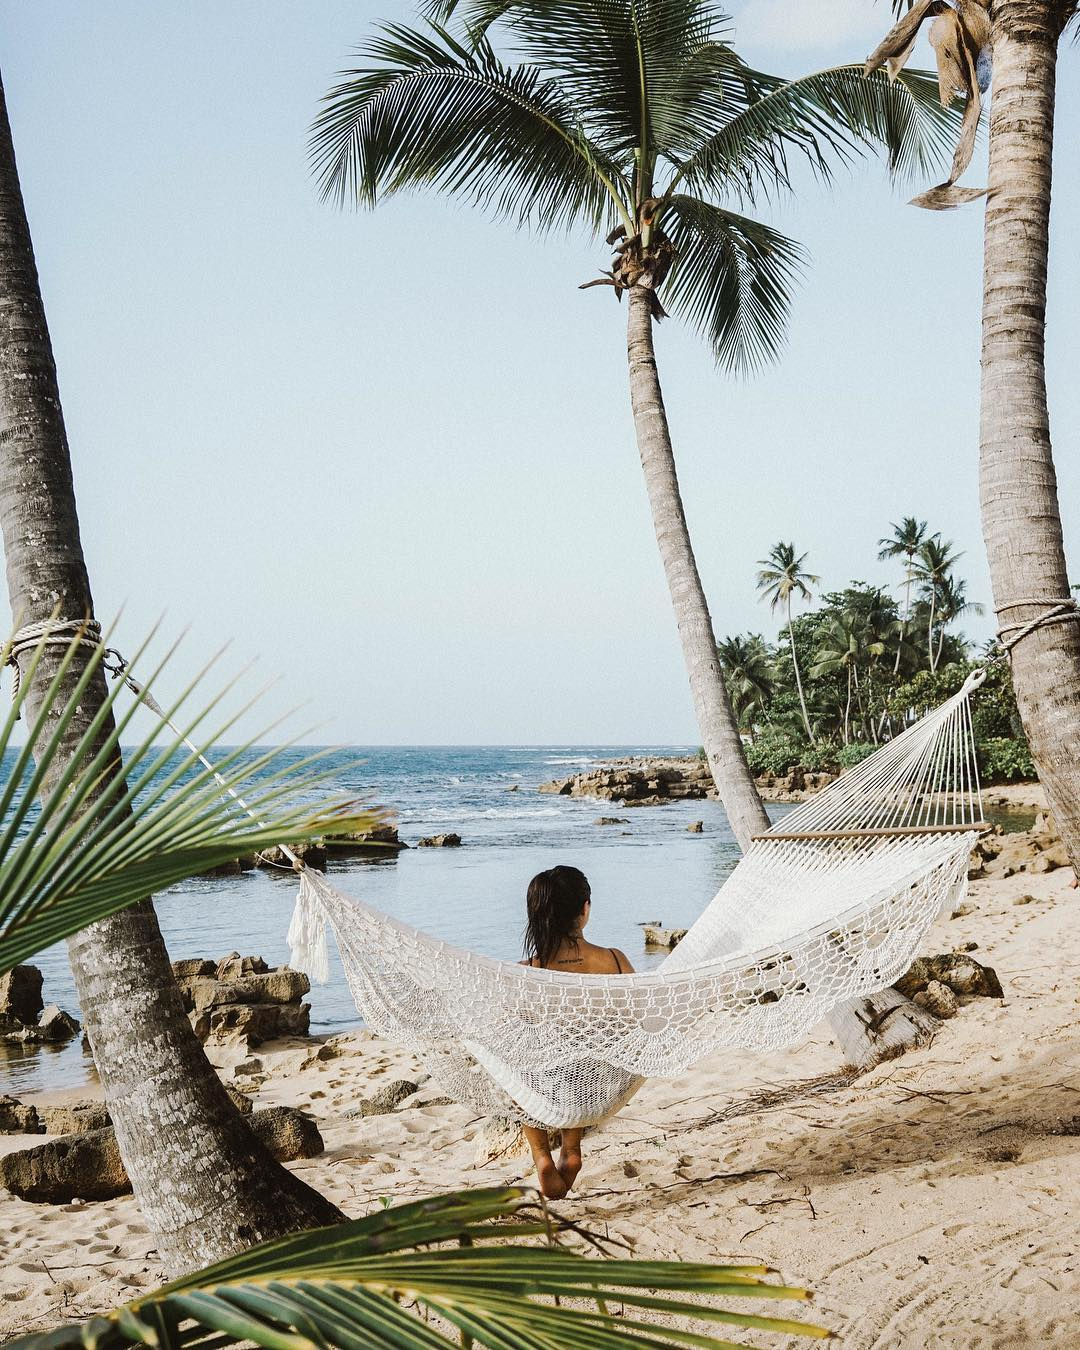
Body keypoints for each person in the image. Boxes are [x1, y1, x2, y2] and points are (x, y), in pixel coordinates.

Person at [519, 865, 633, 1199]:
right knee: (582, 1055)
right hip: (597, 1084)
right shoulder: (614, 960)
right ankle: (572, 1148)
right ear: (585, 909)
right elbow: (641, 1016)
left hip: (548, 1085)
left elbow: (514, 1029)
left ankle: (541, 1155)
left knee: (517, 1062)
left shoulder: (529, 972)